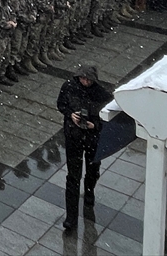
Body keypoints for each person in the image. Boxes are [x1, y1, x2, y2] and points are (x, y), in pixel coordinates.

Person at [56, 63, 113, 232]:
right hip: (73, 137)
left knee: (92, 170)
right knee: (72, 177)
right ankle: (71, 218)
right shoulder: (69, 87)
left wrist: (94, 125)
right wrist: (70, 114)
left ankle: (89, 191)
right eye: (82, 78)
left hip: (92, 140)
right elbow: (61, 104)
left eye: (88, 79)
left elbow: (108, 120)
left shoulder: (102, 95)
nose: (84, 82)